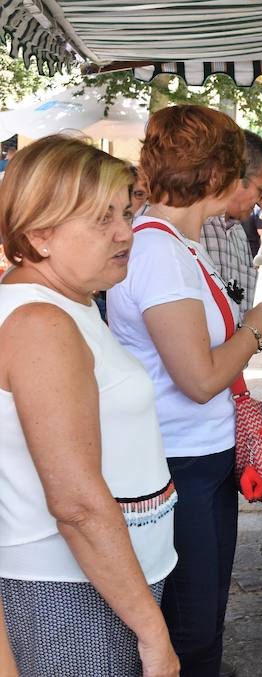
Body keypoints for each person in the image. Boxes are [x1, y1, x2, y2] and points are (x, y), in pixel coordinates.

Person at [107, 105, 262, 677]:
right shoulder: (159, 251)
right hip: (180, 460)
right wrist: (257, 326)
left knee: (200, 617)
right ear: (217, 176)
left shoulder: (179, 243)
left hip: (195, 455)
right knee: (191, 629)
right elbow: (200, 379)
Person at [0, 135, 179, 677]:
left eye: (126, 212)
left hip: (100, 583)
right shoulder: (40, 323)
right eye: (101, 219)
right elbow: (75, 503)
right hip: (71, 596)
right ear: (39, 234)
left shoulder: (64, 305)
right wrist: (153, 634)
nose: (126, 231)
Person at [200, 130, 262, 319]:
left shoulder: (237, 233)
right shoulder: (192, 228)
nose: (260, 201)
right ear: (236, 177)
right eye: (260, 190)